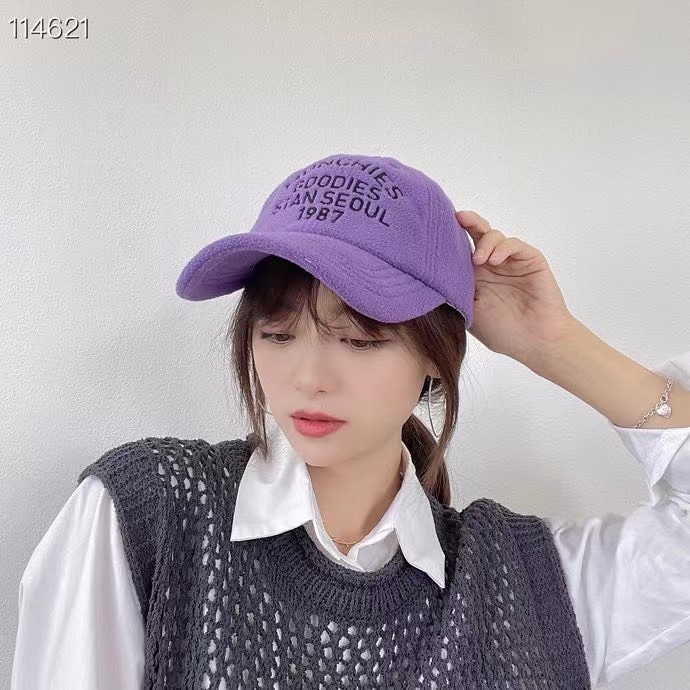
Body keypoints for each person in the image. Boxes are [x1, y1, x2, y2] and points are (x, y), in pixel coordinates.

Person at [11, 153, 690, 689]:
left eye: (360, 341)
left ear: (436, 355)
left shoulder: (527, 586)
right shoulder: (152, 511)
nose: (308, 377)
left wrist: (554, 344)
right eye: (278, 334)